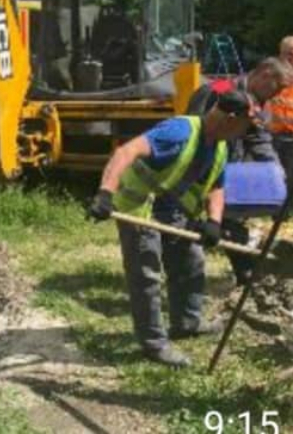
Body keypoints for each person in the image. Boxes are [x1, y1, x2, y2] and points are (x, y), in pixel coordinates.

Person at [87, 91, 259, 368]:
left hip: (173, 210)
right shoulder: (179, 131)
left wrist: (214, 221)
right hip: (140, 208)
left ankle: (187, 322)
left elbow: (217, 185)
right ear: (230, 118)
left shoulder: (220, 145)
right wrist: (105, 193)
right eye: (245, 126)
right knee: (147, 276)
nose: (246, 133)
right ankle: (154, 343)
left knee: (191, 262)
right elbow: (126, 151)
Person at [185, 56, 293, 284]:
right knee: (200, 217)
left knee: (229, 220)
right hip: (199, 162)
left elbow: (259, 137)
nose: (279, 94)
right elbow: (195, 120)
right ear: (265, 74)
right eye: (279, 87)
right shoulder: (223, 86)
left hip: (226, 165)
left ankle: (246, 275)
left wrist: (275, 169)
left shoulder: (260, 103)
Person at [266, 37, 293, 185]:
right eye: (288, 54)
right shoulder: (269, 74)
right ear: (280, 55)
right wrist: (213, 86)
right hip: (273, 137)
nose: (291, 58)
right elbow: (242, 82)